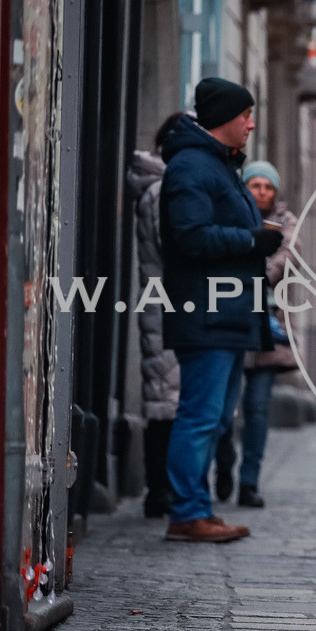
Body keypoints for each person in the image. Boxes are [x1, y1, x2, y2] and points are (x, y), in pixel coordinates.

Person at [160, 77, 282, 542]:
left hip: (229, 315)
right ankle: (187, 513)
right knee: (199, 416)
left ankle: (199, 508)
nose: (252, 123)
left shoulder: (218, 166)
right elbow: (189, 236)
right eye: (246, 115)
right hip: (207, 313)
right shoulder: (191, 167)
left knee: (214, 418)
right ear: (224, 119)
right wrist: (252, 239)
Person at [215, 161, 300, 508]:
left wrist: (250, 268)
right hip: (231, 323)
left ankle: (249, 482)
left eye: (268, 186)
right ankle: (224, 464)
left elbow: (284, 257)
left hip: (268, 331)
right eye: (256, 185)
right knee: (223, 409)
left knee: (258, 408)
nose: (262, 191)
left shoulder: (286, 221)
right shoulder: (232, 212)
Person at [126, 111, 190, 518]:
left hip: (169, 303)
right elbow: (177, 248)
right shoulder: (161, 191)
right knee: (165, 403)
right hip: (166, 305)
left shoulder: (165, 186)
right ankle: (159, 491)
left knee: (168, 400)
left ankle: (165, 489)